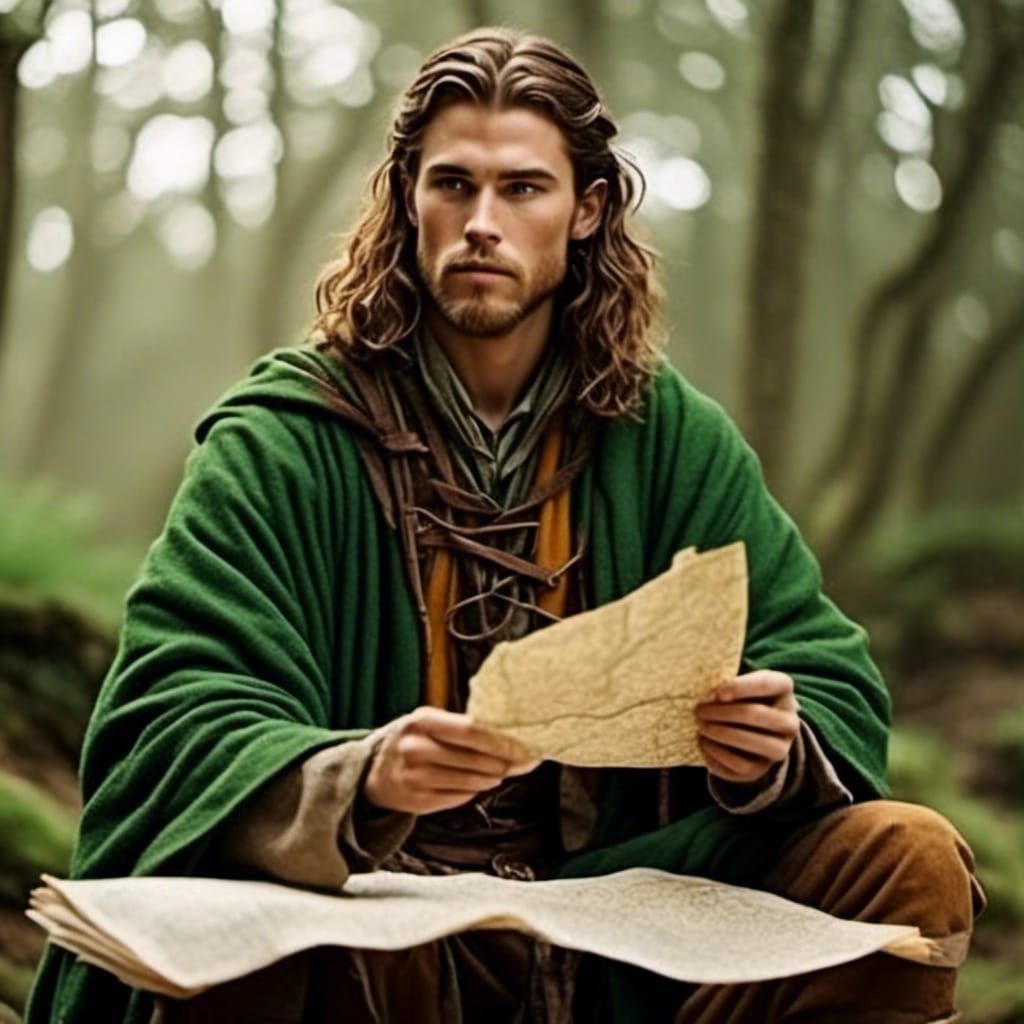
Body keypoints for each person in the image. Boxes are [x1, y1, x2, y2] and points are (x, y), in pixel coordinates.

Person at [27, 27, 983, 1024]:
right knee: (248, 924)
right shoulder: (285, 440)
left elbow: (824, 671)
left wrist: (771, 750)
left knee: (904, 857)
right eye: (452, 185)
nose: (482, 221)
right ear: (408, 201)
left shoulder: (667, 440)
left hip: (615, 935)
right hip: (370, 927)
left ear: (587, 209)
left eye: (522, 188)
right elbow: (169, 713)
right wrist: (362, 775)